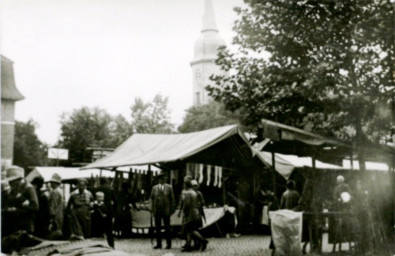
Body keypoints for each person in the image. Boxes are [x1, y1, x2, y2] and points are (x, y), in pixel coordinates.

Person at [3, 166, 39, 236]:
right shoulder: (13, 190)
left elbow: (35, 207)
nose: (10, 184)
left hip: (24, 227)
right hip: (13, 226)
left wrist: (17, 210)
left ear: (19, 179)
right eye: (10, 182)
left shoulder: (29, 189)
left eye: (12, 181)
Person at [178, 178, 208, 252]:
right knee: (189, 230)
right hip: (195, 213)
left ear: (186, 185)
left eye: (184, 184)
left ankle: (203, 240)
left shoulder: (188, 193)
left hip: (189, 214)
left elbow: (187, 204)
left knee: (191, 230)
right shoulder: (193, 192)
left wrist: (184, 212)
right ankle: (188, 245)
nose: (183, 186)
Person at [149, 173, 175, 249]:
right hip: (157, 211)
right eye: (162, 179)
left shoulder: (169, 187)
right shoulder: (154, 188)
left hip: (166, 211)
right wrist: (151, 208)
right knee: (158, 228)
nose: (163, 180)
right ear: (158, 179)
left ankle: (169, 244)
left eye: (164, 179)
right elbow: (151, 198)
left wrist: (172, 210)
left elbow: (172, 199)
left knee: (167, 228)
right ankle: (159, 244)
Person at [48, 173, 64, 239]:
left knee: (55, 232)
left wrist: (51, 217)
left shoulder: (55, 192)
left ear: (55, 183)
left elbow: (53, 205)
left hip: (55, 215)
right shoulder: (60, 190)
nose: (50, 184)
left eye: (52, 182)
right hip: (60, 213)